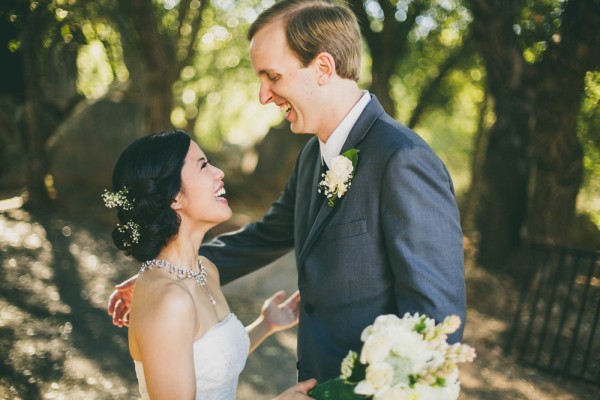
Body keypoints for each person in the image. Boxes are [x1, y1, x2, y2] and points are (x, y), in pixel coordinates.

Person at [108, 0, 466, 384]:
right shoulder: (313, 155)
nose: (264, 96)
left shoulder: (403, 159)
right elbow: (266, 235)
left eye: (273, 77)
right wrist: (172, 272)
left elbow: (434, 325)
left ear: (323, 68)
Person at [105, 130, 315, 399]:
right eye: (203, 165)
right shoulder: (169, 301)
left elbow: (211, 360)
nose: (219, 173)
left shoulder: (206, 270)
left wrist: (267, 324)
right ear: (174, 198)